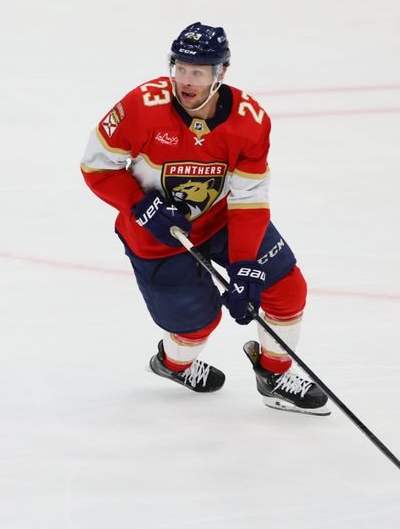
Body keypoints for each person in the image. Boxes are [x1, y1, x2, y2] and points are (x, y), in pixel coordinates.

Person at [80, 22, 329, 416]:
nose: (185, 80)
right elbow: (96, 166)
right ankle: (173, 364)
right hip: (156, 235)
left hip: (223, 220)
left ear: (221, 73)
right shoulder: (142, 106)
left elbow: (249, 197)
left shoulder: (250, 122)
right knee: (197, 324)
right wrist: (138, 203)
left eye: (197, 71)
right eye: (180, 68)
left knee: (285, 288)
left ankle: (275, 374)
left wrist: (246, 264)